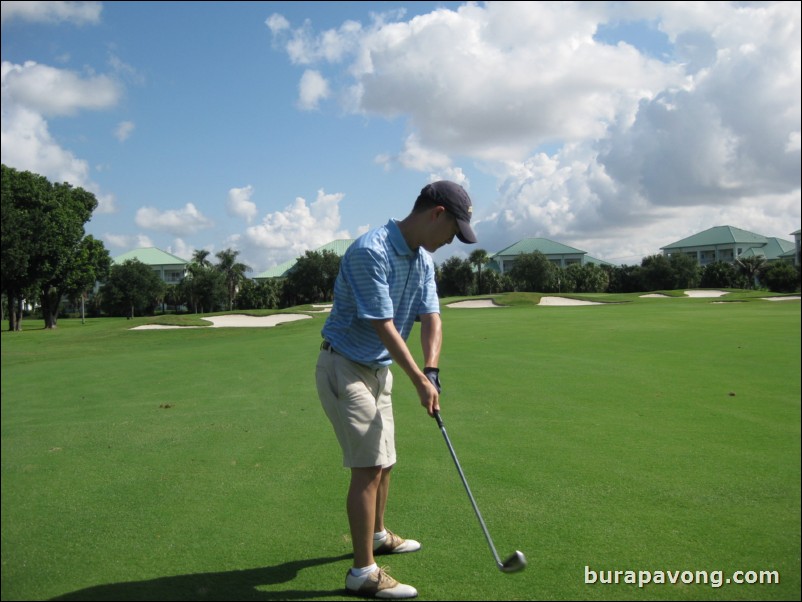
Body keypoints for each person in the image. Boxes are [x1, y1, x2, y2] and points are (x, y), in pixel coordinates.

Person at [315, 180, 477, 599]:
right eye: (452, 232)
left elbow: (432, 317)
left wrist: (432, 370)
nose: (451, 241)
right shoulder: (372, 250)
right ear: (436, 214)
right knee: (368, 467)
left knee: (385, 461)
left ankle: (379, 535)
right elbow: (383, 325)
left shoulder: (423, 260)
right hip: (344, 364)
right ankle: (362, 573)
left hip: (378, 369)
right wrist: (419, 381)